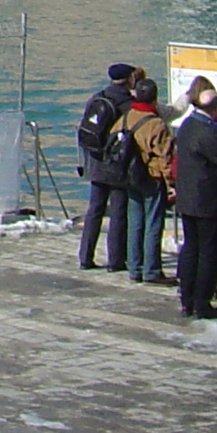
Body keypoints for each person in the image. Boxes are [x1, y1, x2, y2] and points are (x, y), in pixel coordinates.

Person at [171, 76, 217, 320]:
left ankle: (187, 298)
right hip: (207, 200)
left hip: (189, 198)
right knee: (209, 252)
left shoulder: (188, 125)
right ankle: (202, 301)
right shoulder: (210, 134)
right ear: (214, 108)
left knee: (191, 249)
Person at [110, 76, 174, 286]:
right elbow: (165, 157)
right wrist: (171, 183)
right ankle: (152, 269)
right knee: (153, 224)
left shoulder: (127, 117)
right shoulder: (156, 124)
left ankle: (135, 268)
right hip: (152, 177)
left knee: (135, 223)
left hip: (130, 176)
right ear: (155, 99)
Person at [74, 63, 137, 271]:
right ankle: (116, 260)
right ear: (129, 80)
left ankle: (85, 257)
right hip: (115, 164)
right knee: (119, 212)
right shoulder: (128, 104)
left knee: (94, 210)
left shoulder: (97, 97)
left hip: (94, 162)